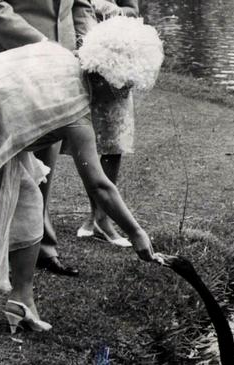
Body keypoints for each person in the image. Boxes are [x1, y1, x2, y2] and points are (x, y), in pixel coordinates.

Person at [0, 17, 164, 332]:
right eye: (124, 88)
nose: (124, 96)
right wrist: (137, 233)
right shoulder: (78, 113)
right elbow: (100, 185)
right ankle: (22, 300)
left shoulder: (58, 54)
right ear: (106, 79)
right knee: (26, 205)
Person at [0, 0, 97, 276]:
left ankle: (41, 246)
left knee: (45, 154)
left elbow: (81, 5)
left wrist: (91, 49)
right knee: (0, 156)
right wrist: (41, 45)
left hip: (59, 60)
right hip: (6, 53)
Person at [74, 0, 140, 248]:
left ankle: (101, 217)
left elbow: (133, 11)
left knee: (112, 143)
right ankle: (95, 214)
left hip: (115, 61)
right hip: (80, 58)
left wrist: (113, 11)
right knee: (86, 143)